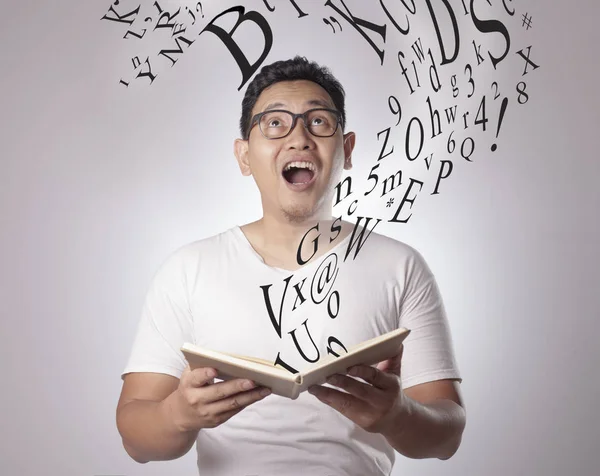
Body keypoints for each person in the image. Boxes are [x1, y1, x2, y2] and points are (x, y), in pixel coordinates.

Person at [116, 55, 466, 475]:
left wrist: (398, 415)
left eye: (318, 122)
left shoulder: (402, 267)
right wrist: (179, 414)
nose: (299, 138)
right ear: (244, 156)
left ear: (347, 150)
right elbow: (136, 440)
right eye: (275, 123)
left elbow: (447, 437)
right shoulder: (187, 269)